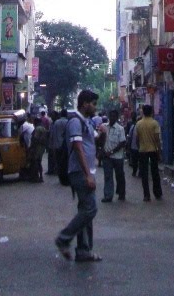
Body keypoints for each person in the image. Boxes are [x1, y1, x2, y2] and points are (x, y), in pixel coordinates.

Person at [55, 89, 102, 263]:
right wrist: (87, 174)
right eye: (93, 104)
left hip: (86, 171)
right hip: (80, 172)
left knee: (85, 210)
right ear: (84, 104)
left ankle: (84, 250)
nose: (95, 107)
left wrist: (102, 135)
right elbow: (78, 147)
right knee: (90, 209)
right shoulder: (75, 122)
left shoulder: (86, 122)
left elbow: (91, 143)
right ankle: (64, 238)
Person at [135, 104, 162, 201]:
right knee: (155, 172)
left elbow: (137, 139)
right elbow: (157, 139)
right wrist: (159, 151)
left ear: (143, 112)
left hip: (142, 150)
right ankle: (157, 193)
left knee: (144, 174)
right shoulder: (154, 123)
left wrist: (139, 148)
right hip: (153, 150)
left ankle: (146, 195)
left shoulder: (138, 124)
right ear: (151, 112)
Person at [100, 109, 127, 203]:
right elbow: (100, 140)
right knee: (108, 176)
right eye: (110, 116)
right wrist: (102, 150)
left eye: (114, 116)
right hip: (107, 157)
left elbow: (122, 143)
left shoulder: (120, 129)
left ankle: (121, 193)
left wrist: (111, 152)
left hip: (117, 157)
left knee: (119, 176)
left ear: (116, 117)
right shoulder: (104, 127)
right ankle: (108, 196)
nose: (112, 118)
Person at [28, 115, 49, 183]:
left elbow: (35, 139)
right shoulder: (43, 128)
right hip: (42, 147)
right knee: (39, 161)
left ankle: (37, 177)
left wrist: (31, 147)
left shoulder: (37, 129)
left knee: (36, 162)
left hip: (37, 147)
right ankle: (40, 177)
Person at [48, 109, 68, 175]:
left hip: (57, 144)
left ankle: (58, 171)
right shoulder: (68, 122)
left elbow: (53, 134)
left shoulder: (56, 122)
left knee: (58, 159)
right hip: (65, 145)